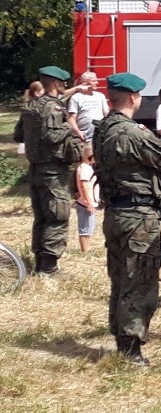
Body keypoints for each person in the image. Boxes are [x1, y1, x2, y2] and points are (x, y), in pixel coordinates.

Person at [93, 72, 161, 366]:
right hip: (138, 217)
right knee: (139, 280)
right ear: (133, 97)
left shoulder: (102, 129)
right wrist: (152, 135)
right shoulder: (131, 132)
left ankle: (121, 336)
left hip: (115, 212)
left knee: (120, 277)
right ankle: (131, 347)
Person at [13, 65, 85, 275]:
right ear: (55, 83)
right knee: (57, 217)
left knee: (42, 218)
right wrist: (69, 126)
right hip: (53, 171)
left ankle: (40, 262)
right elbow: (52, 136)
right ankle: (49, 268)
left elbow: (18, 136)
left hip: (35, 170)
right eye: (63, 83)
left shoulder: (31, 106)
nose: (65, 86)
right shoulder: (53, 108)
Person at [67, 72, 109, 141]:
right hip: (84, 138)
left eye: (97, 80)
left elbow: (106, 114)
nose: (97, 83)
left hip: (99, 137)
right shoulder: (76, 97)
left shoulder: (100, 96)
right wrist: (78, 132)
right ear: (85, 82)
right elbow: (71, 119)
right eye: (94, 81)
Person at [75, 143, 100, 253]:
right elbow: (85, 186)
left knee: (89, 228)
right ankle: (85, 251)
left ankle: (87, 249)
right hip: (85, 204)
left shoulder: (88, 167)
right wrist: (89, 203)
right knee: (85, 229)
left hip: (90, 202)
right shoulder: (85, 169)